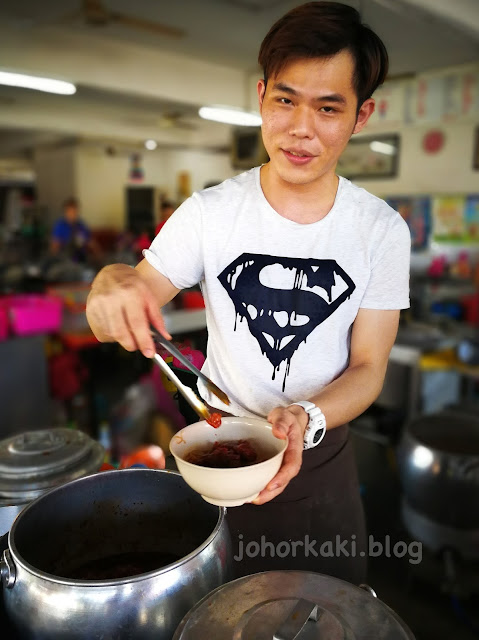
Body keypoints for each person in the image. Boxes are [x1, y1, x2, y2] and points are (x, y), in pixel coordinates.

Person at [86, 1, 410, 584]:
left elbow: (368, 367)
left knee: (328, 612)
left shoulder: (380, 229)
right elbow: (124, 302)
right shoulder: (211, 213)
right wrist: (110, 284)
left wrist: (305, 416)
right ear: (261, 95)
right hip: (217, 456)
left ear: (362, 116)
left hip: (319, 458)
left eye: (328, 108)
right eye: (284, 100)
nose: (300, 129)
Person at [50, 197, 93, 263]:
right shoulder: (60, 225)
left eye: (75, 211)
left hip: (81, 257)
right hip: (65, 257)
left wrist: (99, 254)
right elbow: (55, 245)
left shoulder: (81, 225)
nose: (73, 214)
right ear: (65, 212)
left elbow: (90, 242)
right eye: (71, 212)